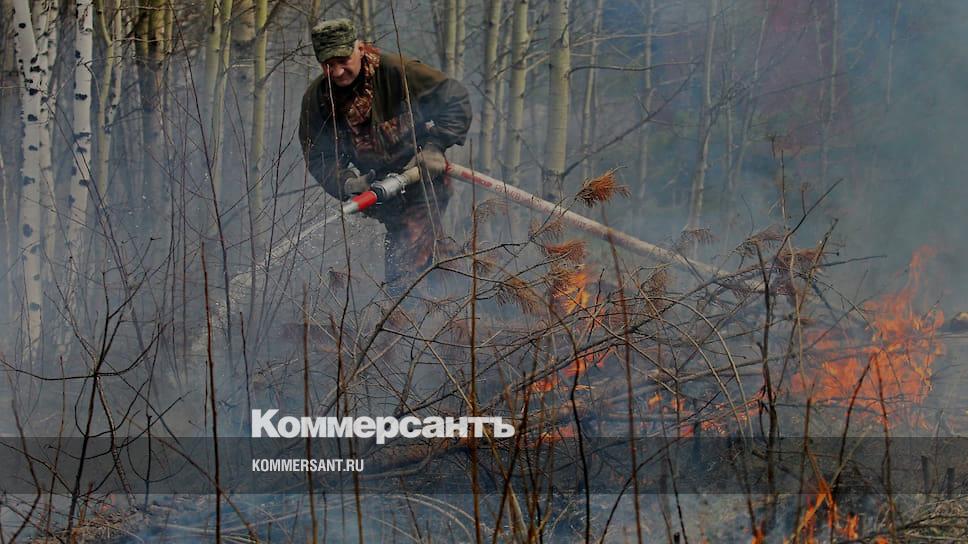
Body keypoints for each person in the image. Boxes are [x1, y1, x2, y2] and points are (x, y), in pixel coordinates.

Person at [299, 18, 472, 295]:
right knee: (419, 249)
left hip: (422, 178)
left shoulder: (396, 72)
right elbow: (319, 156)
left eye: (343, 60)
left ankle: (406, 310)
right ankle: (464, 294)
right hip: (379, 191)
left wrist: (435, 146)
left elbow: (455, 98)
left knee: (406, 257)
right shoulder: (318, 99)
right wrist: (346, 182)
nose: (337, 72)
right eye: (328, 65)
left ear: (359, 48)